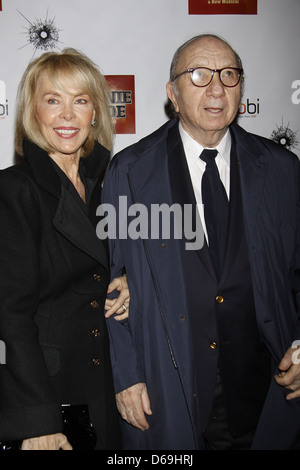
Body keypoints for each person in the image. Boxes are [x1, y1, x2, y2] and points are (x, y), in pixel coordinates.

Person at [101, 34, 300, 450]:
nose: (216, 88)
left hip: (265, 392)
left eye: (229, 75)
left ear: (241, 89)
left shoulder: (282, 169)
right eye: (199, 75)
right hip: (169, 389)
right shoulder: (130, 172)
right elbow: (112, 286)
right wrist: (128, 376)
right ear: (172, 93)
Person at [0, 48, 130, 450]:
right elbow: (12, 313)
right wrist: (37, 419)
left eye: (80, 100)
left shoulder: (114, 180)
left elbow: (135, 257)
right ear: (33, 111)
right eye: (52, 100)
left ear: (95, 111)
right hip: (49, 387)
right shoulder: (15, 189)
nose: (67, 115)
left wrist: (132, 281)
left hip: (111, 380)